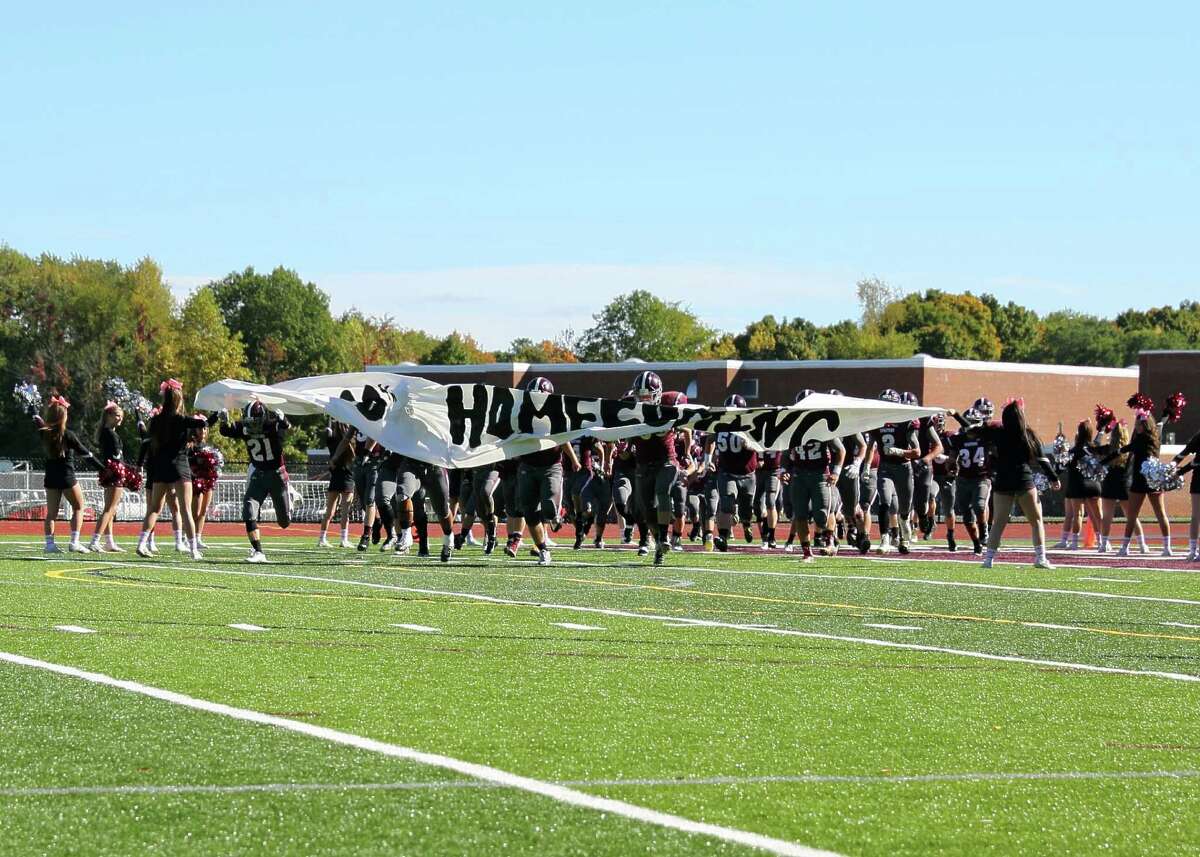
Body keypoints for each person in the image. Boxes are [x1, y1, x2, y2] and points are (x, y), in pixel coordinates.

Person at [951, 399, 1058, 569]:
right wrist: (1053, 478)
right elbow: (1042, 459)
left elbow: (971, 430)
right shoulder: (1028, 434)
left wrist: (957, 415)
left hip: (1002, 481)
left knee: (999, 522)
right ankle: (1040, 558)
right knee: (1036, 520)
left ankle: (988, 560)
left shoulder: (997, 432)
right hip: (1023, 480)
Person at [136, 380, 210, 560]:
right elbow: (203, 425)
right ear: (178, 400)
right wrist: (216, 415)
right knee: (185, 510)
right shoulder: (181, 420)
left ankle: (141, 543)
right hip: (179, 467)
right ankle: (193, 549)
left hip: (161, 468)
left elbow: (148, 439)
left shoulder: (155, 420)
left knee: (154, 508)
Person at [218, 400, 291, 563]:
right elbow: (225, 431)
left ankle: (288, 498)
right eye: (250, 422)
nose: (253, 426)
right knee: (249, 509)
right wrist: (224, 419)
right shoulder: (245, 428)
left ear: (264, 418)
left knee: (284, 522)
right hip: (258, 474)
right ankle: (258, 551)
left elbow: (285, 428)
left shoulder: (272, 426)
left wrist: (283, 419)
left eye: (256, 421)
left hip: (276, 476)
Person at [784, 391, 844, 562]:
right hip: (800, 475)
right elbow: (786, 453)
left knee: (822, 515)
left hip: (819, 475)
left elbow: (840, 450)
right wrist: (784, 470)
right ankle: (806, 552)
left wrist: (836, 472)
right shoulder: (792, 426)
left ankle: (830, 541)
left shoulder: (822, 426)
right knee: (800, 514)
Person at [1105, 410, 1172, 557]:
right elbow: (1125, 449)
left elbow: (1124, 449)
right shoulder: (1155, 438)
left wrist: (1104, 461)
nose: (1136, 426)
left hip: (1144, 481)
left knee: (1135, 515)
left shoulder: (1140, 440)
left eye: (1138, 423)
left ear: (1144, 424)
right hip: (1150, 480)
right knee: (1156, 514)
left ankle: (1124, 548)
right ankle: (1167, 547)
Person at [862, 390, 923, 554]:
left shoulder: (906, 422)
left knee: (904, 508)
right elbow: (871, 446)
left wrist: (898, 451)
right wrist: (866, 466)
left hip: (903, 467)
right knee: (884, 501)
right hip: (886, 466)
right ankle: (884, 539)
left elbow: (917, 452)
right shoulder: (877, 421)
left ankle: (904, 532)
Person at [36, 395, 98, 554]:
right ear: (63, 416)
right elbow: (85, 454)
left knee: (51, 514)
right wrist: (102, 468)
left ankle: (49, 545)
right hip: (67, 476)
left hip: (50, 477)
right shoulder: (68, 434)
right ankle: (74, 542)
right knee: (78, 507)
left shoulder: (44, 433)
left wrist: (34, 414)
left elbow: (38, 423)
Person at [706, 393, 757, 552]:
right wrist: (708, 460)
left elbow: (762, 444)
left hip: (747, 474)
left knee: (746, 508)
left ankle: (747, 524)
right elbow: (709, 440)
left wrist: (750, 445)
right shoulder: (720, 424)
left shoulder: (749, 425)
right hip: (727, 472)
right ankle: (722, 537)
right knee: (727, 503)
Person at [1095, 421, 1146, 554]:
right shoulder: (1130, 451)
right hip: (1125, 484)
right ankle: (1142, 544)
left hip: (1110, 484)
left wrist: (1100, 430)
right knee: (1132, 516)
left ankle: (1103, 544)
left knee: (1106, 516)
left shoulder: (1108, 449)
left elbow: (1093, 448)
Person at [1056, 420, 1102, 551]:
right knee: (1098, 516)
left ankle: (1075, 542)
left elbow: (1061, 466)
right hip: (1093, 485)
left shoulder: (1073, 451)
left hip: (1077, 485)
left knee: (1078, 515)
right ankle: (1102, 542)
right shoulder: (1094, 448)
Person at [90, 400, 127, 552]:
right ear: (108, 416)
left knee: (111, 509)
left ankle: (109, 541)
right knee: (110, 509)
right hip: (114, 473)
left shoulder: (108, 432)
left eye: (121, 416)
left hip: (110, 472)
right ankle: (95, 541)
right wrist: (127, 469)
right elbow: (116, 458)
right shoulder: (109, 434)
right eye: (117, 416)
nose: (120, 419)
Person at [318, 421, 355, 548]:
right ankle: (343, 539)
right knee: (345, 511)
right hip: (347, 476)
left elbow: (327, 433)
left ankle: (322, 538)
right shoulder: (349, 442)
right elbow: (354, 457)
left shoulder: (331, 440)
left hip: (335, 476)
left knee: (329, 511)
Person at [188, 419, 222, 550]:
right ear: (195, 430)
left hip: (208, 480)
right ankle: (188, 537)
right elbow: (188, 463)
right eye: (200, 428)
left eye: (205, 429)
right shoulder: (190, 446)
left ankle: (198, 537)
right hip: (196, 481)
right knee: (194, 511)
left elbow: (215, 463)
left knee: (204, 510)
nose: (203, 431)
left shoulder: (209, 447)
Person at [1172, 430, 1200, 560]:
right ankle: (1193, 549)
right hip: (1198, 480)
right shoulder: (1198, 437)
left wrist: (1179, 472)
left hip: (1197, 478)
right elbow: (1184, 452)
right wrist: (1171, 466)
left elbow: (1196, 462)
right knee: (1195, 515)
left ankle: (1193, 551)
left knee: (1196, 515)